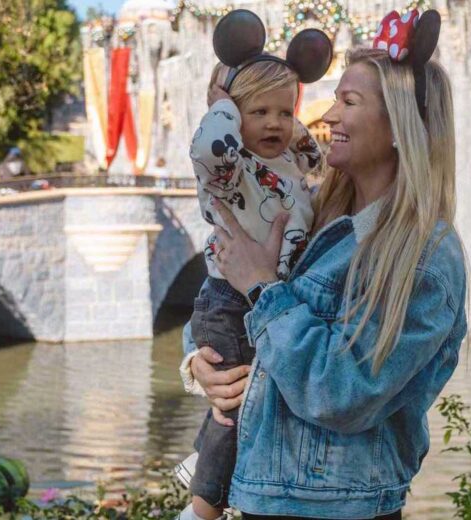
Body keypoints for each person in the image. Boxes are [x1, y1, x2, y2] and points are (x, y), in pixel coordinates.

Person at [181, 8, 468, 519]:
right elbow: (229, 298)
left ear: (401, 126)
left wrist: (263, 289)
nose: (328, 116)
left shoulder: (422, 257)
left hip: (339, 508)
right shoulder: (314, 213)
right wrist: (200, 363)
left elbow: (341, 392)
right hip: (264, 497)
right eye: (334, 99)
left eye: (348, 101)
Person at [182, 56, 323, 519]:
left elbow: (313, 153)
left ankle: (201, 467)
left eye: (284, 112)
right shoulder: (229, 167)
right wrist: (222, 104)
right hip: (229, 299)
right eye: (259, 113)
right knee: (239, 405)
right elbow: (208, 146)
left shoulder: (283, 158)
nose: (275, 123)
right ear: (235, 117)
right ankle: (202, 509)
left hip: (259, 295)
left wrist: (281, 110)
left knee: (243, 396)